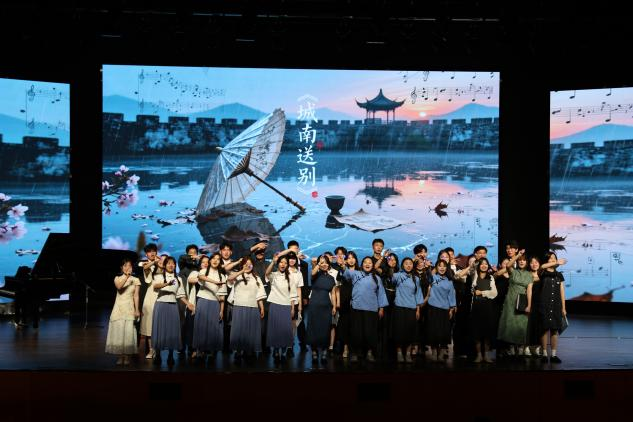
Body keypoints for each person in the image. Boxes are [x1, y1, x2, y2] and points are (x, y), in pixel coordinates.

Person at [341, 256, 389, 363]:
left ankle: (369, 352)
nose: (367, 264)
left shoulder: (377, 278)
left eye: (370, 262)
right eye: (365, 262)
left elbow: (381, 293)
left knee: (370, 333)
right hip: (357, 307)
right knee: (356, 332)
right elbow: (346, 273)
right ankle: (355, 353)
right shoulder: (356, 274)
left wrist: (381, 308)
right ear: (362, 264)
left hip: (371, 309)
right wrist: (343, 265)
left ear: (373, 265)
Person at [152, 256, 195, 366]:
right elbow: (155, 286)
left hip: (172, 306)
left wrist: (188, 304)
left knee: (172, 330)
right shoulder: (158, 276)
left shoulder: (178, 279)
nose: (171, 265)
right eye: (169, 263)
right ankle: (158, 354)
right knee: (160, 329)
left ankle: (171, 355)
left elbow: (181, 295)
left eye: (173, 263)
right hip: (161, 305)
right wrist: (167, 283)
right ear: (165, 265)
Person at [226, 256, 267, 362]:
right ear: (242, 265)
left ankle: (249, 351)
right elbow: (229, 279)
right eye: (246, 264)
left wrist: (262, 307)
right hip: (239, 306)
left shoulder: (256, 278)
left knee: (250, 330)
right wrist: (242, 271)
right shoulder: (238, 275)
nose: (248, 266)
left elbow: (260, 294)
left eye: (250, 264)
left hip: (253, 306)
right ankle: (238, 351)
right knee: (239, 329)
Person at [190, 254, 228, 363]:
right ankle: (200, 351)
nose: (215, 261)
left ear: (220, 262)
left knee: (213, 328)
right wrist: (215, 282)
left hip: (215, 303)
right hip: (203, 301)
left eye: (218, 259)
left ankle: (211, 352)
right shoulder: (203, 271)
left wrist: (221, 310)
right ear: (210, 260)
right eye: (213, 258)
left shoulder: (222, 276)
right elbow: (201, 277)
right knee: (201, 327)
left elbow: (222, 296)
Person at [105, 259, 141, 365]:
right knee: (119, 332)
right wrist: (126, 277)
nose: (127, 268)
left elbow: (136, 296)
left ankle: (127, 356)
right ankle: (120, 356)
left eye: (129, 266)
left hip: (129, 307)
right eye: (125, 266)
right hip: (119, 308)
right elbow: (119, 287)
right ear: (121, 267)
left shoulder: (136, 280)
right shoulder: (117, 278)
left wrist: (137, 309)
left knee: (128, 332)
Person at [496, 249, 531, 358]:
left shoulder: (529, 275)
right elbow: (508, 265)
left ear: (526, 262)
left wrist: (529, 305)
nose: (521, 261)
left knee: (521, 324)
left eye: (523, 260)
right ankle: (511, 347)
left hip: (522, 301)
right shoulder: (513, 271)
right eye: (520, 260)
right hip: (511, 300)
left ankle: (520, 348)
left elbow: (529, 291)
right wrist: (518, 255)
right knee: (510, 324)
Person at [265, 254, 299, 362]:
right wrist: (273, 262)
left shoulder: (291, 277)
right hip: (275, 304)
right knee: (275, 329)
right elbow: (267, 273)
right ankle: (275, 350)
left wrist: (293, 308)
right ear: (278, 264)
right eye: (281, 262)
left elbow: (293, 294)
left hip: (286, 306)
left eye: (285, 262)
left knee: (285, 330)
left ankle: (283, 352)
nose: (283, 264)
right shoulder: (274, 275)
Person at [392, 257, 424, 363]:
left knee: (410, 331)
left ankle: (408, 353)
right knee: (399, 331)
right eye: (406, 263)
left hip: (412, 307)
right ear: (402, 265)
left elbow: (418, 294)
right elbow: (391, 278)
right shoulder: (398, 275)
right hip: (399, 306)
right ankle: (399, 353)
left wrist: (418, 309)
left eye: (410, 263)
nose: (408, 265)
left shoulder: (416, 279)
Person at [307, 255, 338, 363]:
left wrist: (334, 306)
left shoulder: (331, 278)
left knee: (325, 329)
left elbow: (333, 293)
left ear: (329, 264)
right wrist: (318, 264)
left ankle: (324, 351)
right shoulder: (315, 275)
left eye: (326, 262)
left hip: (326, 306)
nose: (324, 264)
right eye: (322, 262)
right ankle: (314, 351)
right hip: (314, 305)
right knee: (313, 328)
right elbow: (312, 273)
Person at [538, 252, 568, 363]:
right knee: (544, 329)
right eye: (550, 258)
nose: (553, 260)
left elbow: (562, 292)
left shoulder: (559, 275)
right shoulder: (542, 273)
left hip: (556, 305)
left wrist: (563, 308)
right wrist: (557, 262)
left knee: (555, 330)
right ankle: (544, 354)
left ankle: (554, 355)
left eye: (554, 258)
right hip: (544, 305)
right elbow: (542, 266)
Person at [425, 260, 456, 362]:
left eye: (444, 266)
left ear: (447, 268)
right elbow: (427, 277)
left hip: (445, 309)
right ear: (436, 267)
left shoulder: (449, 281)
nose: (442, 268)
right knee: (433, 331)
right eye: (440, 266)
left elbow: (451, 295)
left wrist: (451, 309)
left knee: (444, 332)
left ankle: (442, 353)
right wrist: (428, 267)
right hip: (433, 308)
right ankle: (434, 353)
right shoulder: (433, 278)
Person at [469, 258, 497, 363]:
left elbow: (494, 293)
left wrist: (482, 293)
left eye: (486, 264)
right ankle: (479, 355)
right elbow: (471, 269)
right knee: (476, 332)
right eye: (482, 264)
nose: (484, 265)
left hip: (487, 307)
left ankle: (487, 355)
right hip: (476, 306)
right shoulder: (474, 275)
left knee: (487, 332)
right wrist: (475, 261)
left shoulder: (491, 277)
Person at [138, 245, 161, 359]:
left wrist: (160, 262)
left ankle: (158, 349)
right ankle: (149, 350)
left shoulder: (160, 263)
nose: (152, 253)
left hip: (161, 293)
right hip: (147, 295)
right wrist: (154, 262)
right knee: (147, 323)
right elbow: (144, 267)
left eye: (154, 251)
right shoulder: (142, 263)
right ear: (146, 253)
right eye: (150, 251)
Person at [287, 240, 310, 352]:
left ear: (299, 249)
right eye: (291, 249)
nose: (294, 251)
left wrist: (305, 297)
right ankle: (289, 345)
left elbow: (305, 282)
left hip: (300, 297)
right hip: (287, 297)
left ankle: (303, 343)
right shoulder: (285, 263)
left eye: (295, 249)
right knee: (288, 321)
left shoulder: (304, 264)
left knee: (300, 321)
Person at [335, 251, 359, 359]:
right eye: (349, 258)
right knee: (344, 324)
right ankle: (345, 347)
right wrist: (342, 267)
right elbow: (339, 282)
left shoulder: (360, 271)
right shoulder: (342, 270)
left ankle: (353, 349)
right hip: (345, 298)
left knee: (354, 325)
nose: (351, 260)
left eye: (353, 257)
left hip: (356, 299)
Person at [178, 244, 200, 358]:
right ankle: (181, 346)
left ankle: (191, 346)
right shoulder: (183, 264)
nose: (193, 255)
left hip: (193, 295)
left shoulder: (198, 267)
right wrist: (192, 256)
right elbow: (182, 257)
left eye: (195, 252)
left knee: (192, 322)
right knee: (182, 321)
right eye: (190, 253)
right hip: (183, 295)